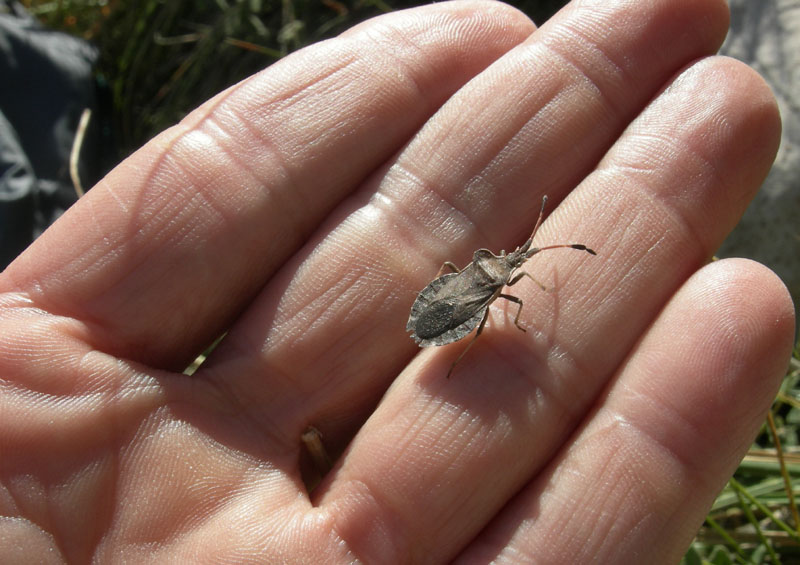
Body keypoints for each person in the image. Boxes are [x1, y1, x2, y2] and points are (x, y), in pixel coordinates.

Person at [0, 0, 794, 562]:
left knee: (480, 300)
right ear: (502, 261)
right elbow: (481, 299)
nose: (516, 265)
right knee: (483, 304)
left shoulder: (489, 271)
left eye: (516, 265)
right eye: (516, 259)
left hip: (454, 303)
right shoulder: (490, 281)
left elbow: (482, 288)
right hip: (456, 308)